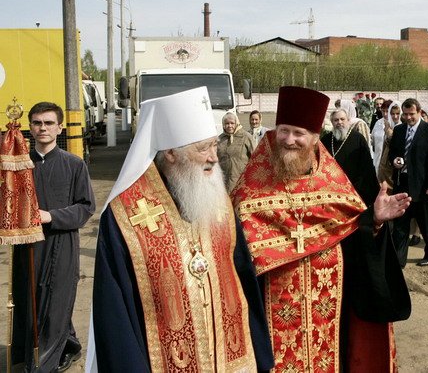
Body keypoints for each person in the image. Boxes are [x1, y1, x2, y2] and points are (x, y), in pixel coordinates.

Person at [91, 87, 273, 372]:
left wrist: (261, 356)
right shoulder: (124, 218)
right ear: (171, 153)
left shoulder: (218, 201)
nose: (214, 157)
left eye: (214, 146)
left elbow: (242, 276)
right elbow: (115, 318)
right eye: (203, 149)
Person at [231, 86, 412, 372]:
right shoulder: (250, 191)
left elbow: (353, 241)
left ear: (315, 139)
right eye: (284, 131)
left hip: (330, 320)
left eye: (299, 133)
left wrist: (373, 221)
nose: (289, 140)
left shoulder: (334, 187)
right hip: (270, 319)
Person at [12, 102, 95, 372]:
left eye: (49, 123)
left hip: (61, 241)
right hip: (27, 243)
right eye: (37, 123)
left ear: (60, 128)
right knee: (32, 297)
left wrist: (52, 216)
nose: (43, 128)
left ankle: (42, 364)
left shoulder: (74, 164)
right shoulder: (20, 165)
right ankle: (67, 345)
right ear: (30, 127)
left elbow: (86, 207)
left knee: (57, 297)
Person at [389, 98, 428, 267]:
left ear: (420, 112)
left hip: (422, 186)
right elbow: (392, 153)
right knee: (400, 224)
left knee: (426, 224)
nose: (408, 117)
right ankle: (399, 260)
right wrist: (395, 160)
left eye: (411, 114)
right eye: (405, 114)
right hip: (402, 183)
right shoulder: (399, 130)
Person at [322, 108, 379, 205]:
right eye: (336, 120)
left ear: (348, 120)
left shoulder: (358, 139)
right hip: (332, 189)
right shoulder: (326, 140)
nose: (339, 122)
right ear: (332, 122)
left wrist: (357, 187)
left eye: (342, 119)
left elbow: (366, 167)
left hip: (355, 188)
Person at [217, 111, 254, 192]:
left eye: (232, 123)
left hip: (242, 181)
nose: (230, 126)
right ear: (223, 125)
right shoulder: (220, 139)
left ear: (236, 123)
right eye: (227, 123)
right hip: (224, 182)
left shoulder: (246, 137)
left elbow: (255, 158)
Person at [377, 101, 402, 190]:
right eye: (392, 114)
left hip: (396, 162)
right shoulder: (388, 125)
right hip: (384, 162)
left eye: (397, 114)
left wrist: (390, 134)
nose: (395, 116)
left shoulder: (403, 127)